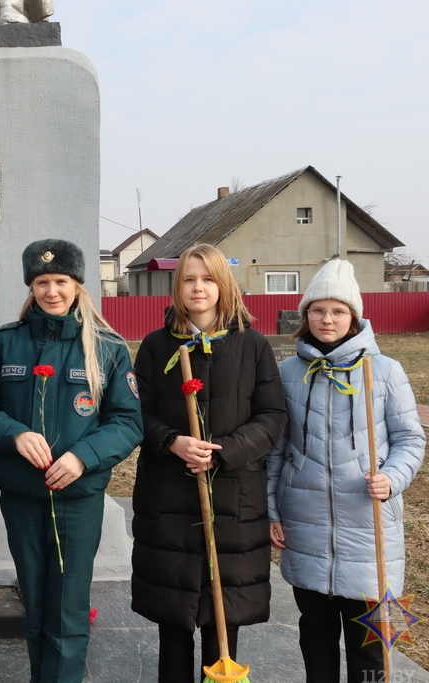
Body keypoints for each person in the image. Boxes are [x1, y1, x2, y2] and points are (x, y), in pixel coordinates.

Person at [0, 239, 143, 683]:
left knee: (67, 609)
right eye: (42, 282)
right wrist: (16, 433)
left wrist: (84, 457)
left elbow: (127, 420)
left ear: (77, 284)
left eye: (61, 281)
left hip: (76, 500)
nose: (51, 291)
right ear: (31, 286)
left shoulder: (106, 347)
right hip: (23, 497)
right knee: (35, 605)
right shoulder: (4, 343)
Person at [131, 243, 286, 683]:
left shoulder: (252, 345)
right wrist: (171, 441)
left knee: (223, 618)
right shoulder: (156, 345)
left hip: (233, 499)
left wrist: (226, 452)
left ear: (224, 285)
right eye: (189, 279)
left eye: (208, 279)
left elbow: (272, 416)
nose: (198, 288)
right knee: (175, 618)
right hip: (170, 497)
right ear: (177, 287)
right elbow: (135, 411)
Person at [268, 259, 425, 682]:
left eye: (338, 311)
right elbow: (275, 451)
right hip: (307, 525)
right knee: (316, 634)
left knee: (370, 645)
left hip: (369, 527)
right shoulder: (287, 374)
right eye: (317, 310)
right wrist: (272, 511)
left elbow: (411, 439)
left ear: (354, 316)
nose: (327, 319)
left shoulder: (384, 371)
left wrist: (392, 477)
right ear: (305, 316)